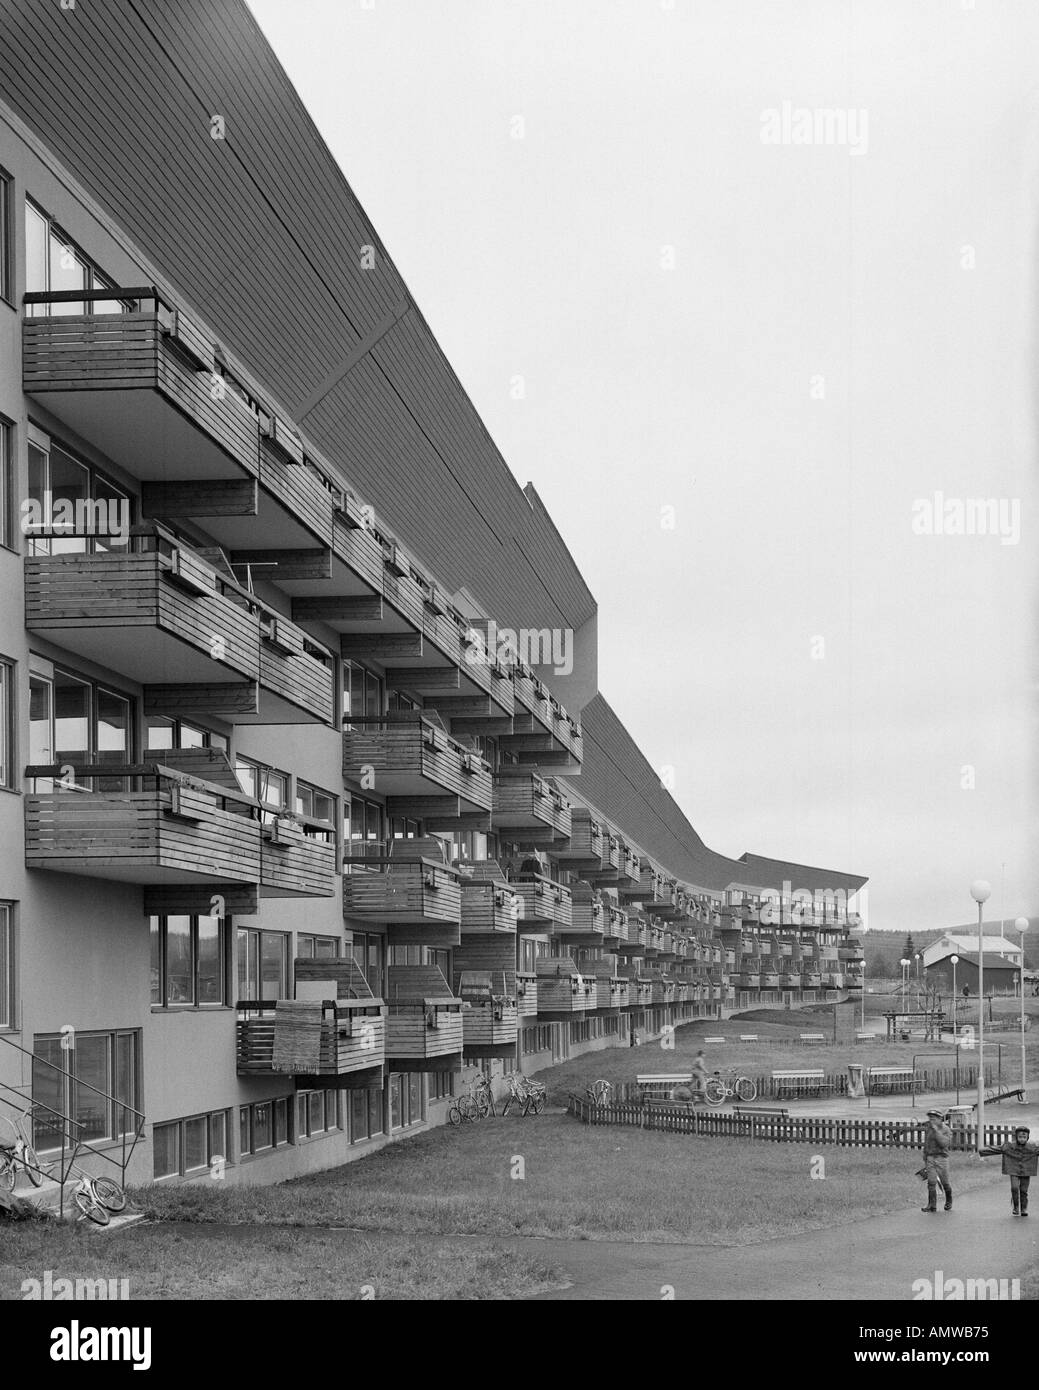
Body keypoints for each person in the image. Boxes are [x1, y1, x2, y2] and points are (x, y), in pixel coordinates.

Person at [980, 1125, 1039, 1217]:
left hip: (1026, 1171)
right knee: (1014, 1188)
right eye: (1020, 1137)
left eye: (1024, 1137)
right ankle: (1016, 1207)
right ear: (1016, 1137)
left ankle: (1024, 1208)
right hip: (1013, 1170)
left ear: (1027, 1137)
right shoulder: (1009, 1146)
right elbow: (997, 1149)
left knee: (1024, 1190)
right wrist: (982, 1151)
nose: (1022, 1139)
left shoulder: (1032, 1148)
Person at [920, 1108, 953, 1212]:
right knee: (931, 1181)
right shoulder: (929, 1128)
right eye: (930, 1119)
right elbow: (927, 1142)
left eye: (933, 1119)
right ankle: (932, 1205)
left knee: (945, 1182)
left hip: (942, 1158)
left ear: (940, 1119)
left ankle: (949, 1200)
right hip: (930, 1157)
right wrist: (925, 1154)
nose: (931, 1121)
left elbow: (944, 1144)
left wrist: (936, 1131)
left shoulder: (946, 1129)